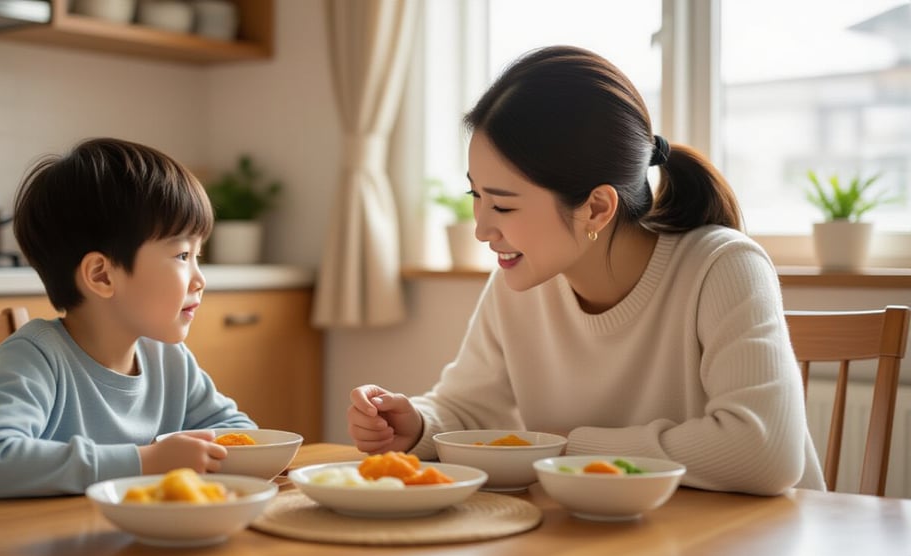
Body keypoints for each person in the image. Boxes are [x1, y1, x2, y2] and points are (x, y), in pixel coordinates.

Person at [347, 46, 826, 496]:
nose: (482, 229)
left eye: (504, 206)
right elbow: (467, 408)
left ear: (596, 208)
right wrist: (418, 424)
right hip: (615, 542)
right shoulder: (519, 284)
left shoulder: (722, 267)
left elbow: (763, 452)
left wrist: (564, 446)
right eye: (477, 197)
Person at [0, 137, 257, 498]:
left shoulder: (170, 360)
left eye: (198, 257)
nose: (199, 279)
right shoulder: (36, 357)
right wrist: (147, 460)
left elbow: (234, 428)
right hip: (10, 548)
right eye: (181, 255)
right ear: (101, 275)